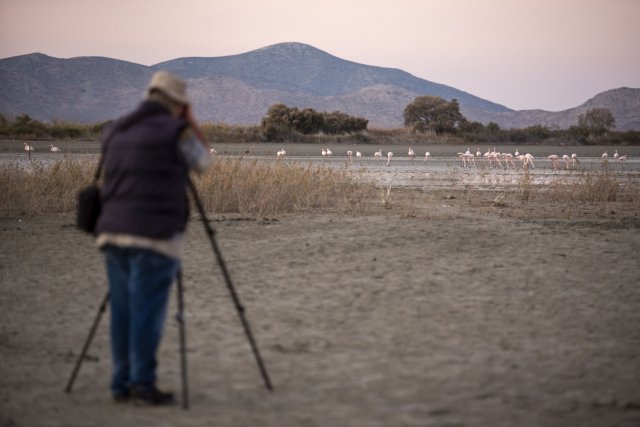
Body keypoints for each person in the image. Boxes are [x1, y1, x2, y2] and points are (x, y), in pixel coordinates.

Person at [95, 70, 212, 406]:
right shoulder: (176, 131)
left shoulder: (116, 129)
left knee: (122, 311)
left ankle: (121, 384)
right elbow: (203, 164)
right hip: (155, 237)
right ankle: (143, 385)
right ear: (178, 104)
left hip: (112, 233)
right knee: (147, 312)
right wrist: (190, 124)